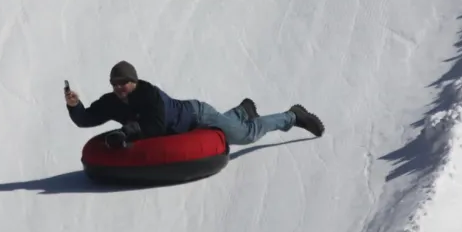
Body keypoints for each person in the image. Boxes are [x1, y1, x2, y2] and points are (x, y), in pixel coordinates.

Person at [65, 61, 325, 148]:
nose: (119, 88)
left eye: (124, 82)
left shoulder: (149, 95)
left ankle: (292, 116)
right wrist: (75, 106)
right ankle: (242, 110)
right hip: (183, 122)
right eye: (115, 83)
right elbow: (86, 119)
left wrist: (128, 131)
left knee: (246, 134)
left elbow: (155, 127)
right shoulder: (112, 102)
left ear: (134, 82)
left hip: (196, 115)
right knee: (237, 123)